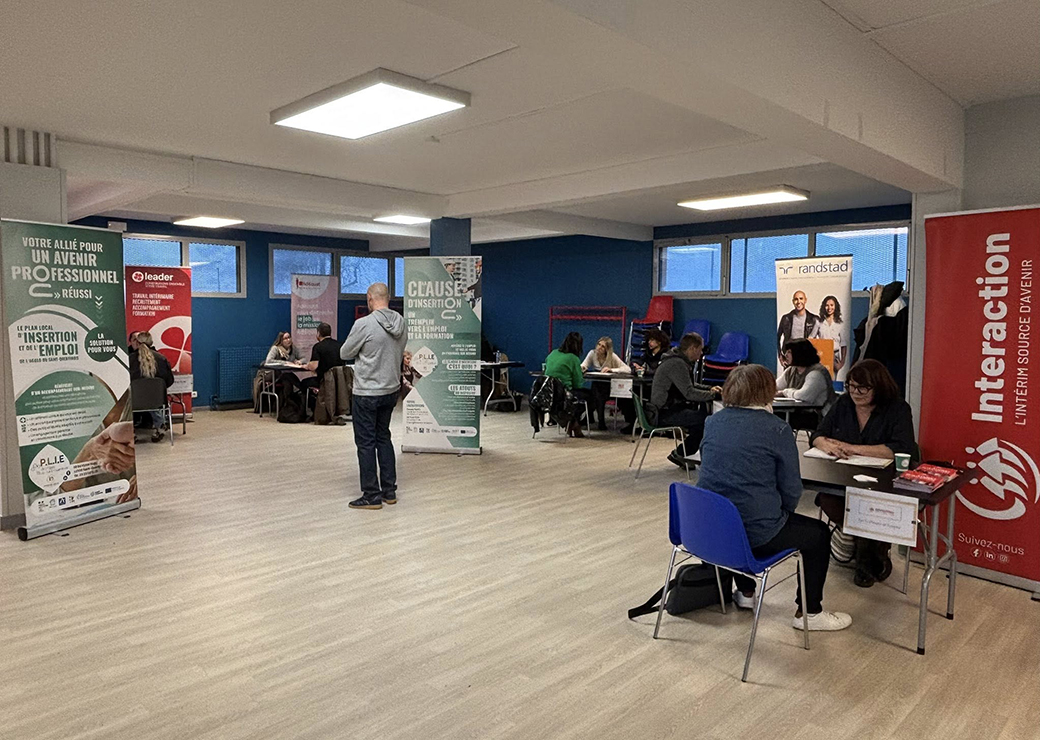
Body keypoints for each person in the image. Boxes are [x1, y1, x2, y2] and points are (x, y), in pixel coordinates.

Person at [697, 364, 852, 631]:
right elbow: (791, 489)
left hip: (710, 529)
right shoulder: (777, 429)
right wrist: (782, 514)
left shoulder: (713, 422)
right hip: (757, 532)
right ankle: (809, 613)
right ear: (767, 391)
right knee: (818, 535)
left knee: (737, 516)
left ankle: (746, 591)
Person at [811, 359, 916, 588]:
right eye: (851, 386)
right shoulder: (843, 403)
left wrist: (852, 448)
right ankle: (867, 546)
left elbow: (901, 448)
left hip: (883, 481)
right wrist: (825, 444)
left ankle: (860, 550)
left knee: (871, 505)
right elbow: (818, 434)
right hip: (844, 476)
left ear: (879, 386)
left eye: (863, 388)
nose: (855, 393)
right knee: (829, 498)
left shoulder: (897, 409)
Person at [340, 283, 407, 510]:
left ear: (370, 298)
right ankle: (389, 491)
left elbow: (345, 352)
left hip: (367, 392)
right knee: (383, 438)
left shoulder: (364, 324)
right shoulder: (401, 323)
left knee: (366, 443)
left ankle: (371, 495)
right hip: (391, 390)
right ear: (388, 298)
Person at [649, 332, 719, 466]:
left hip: (663, 409)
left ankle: (682, 454)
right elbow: (689, 393)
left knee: (701, 419)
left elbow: (689, 385)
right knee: (706, 421)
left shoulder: (676, 360)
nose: (701, 353)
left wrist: (709, 389)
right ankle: (681, 454)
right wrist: (713, 395)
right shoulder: (677, 364)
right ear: (692, 348)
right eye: (700, 349)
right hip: (663, 412)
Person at [776, 338, 836, 429]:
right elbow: (775, 386)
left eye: (789, 352)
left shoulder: (817, 373)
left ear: (799, 354)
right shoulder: (792, 370)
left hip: (818, 416)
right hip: (799, 413)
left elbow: (804, 396)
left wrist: (785, 392)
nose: (786, 355)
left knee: (776, 418)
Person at [129, 330, 175, 443]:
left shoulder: (129, 360)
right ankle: (160, 426)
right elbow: (169, 381)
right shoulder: (161, 359)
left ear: (137, 343)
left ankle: (130, 432)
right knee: (153, 397)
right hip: (157, 401)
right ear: (151, 343)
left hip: (135, 401)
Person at [543, 331, 590, 437]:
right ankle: (574, 423)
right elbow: (577, 384)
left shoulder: (553, 353)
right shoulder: (573, 358)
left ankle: (571, 423)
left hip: (548, 392)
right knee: (591, 398)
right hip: (564, 393)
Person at [581, 336, 630, 431]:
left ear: (607, 349)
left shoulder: (612, 356)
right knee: (596, 391)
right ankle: (597, 419)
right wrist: (582, 368)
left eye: (603, 346)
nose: (599, 347)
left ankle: (595, 419)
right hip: (598, 385)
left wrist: (612, 370)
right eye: (598, 344)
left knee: (598, 394)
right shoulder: (592, 354)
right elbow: (584, 365)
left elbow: (627, 369)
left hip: (609, 386)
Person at [777, 290, 820, 366]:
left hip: (807, 359)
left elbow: (823, 340)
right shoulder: (786, 318)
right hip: (790, 360)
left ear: (805, 300)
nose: (798, 302)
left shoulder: (814, 319)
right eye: (796, 299)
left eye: (801, 298)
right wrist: (780, 356)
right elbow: (777, 338)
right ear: (793, 301)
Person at [816, 295, 847, 375]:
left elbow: (843, 344)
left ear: (835, 306)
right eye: (827, 305)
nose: (829, 308)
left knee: (832, 380)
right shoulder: (819, 323)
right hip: (822, 355)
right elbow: (811, 338)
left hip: (835, 356)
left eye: (832, 305)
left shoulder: (840, 324)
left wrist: (842, 362)